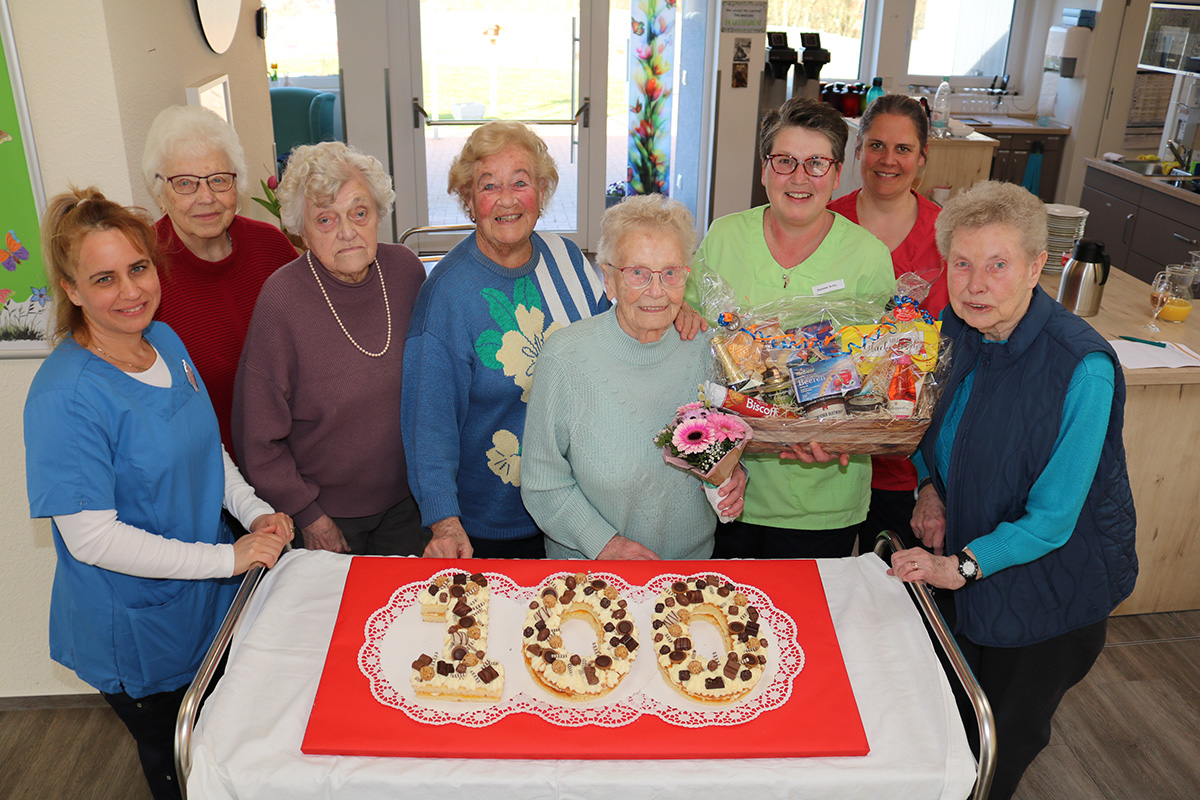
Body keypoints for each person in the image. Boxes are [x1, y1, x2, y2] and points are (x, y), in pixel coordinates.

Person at [24, 188, 293, 800]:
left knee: (225, 747)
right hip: (138, 631)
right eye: (103, 278)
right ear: (71, 290)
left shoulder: (165, 341)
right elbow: (92, 538)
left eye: (138, 268)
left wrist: (253, 512)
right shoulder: (65, 398)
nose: (130, 292)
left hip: (203, 604)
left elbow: (206, 448)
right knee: (183, 766)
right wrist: (229, 557)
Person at [890, 181, 1137, 800]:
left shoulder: (1082, 367)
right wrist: (929, 491)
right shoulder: (954, 328)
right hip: (969, 568)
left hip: (1047, 594)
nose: (976, 285)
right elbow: (926, 427)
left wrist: (960, 568)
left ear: (1036, 267)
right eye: (963, 265)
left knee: (996, 748)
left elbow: (1053, 520)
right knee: (946, 727)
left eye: (998, 265)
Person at [402, 122, 702, 560]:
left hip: (584, 513)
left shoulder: (568, 260)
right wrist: (445, 522)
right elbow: (428, 426)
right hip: (491, 523)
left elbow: (622, 327)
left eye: (521, 182)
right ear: (469, 201)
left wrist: (674, 306)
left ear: (541, 193)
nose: (507, 199)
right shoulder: (446, 296)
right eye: (489, 186)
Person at [685, 96, 894, 559]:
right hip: (726, 483)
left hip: (822, 497)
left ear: (838, 174)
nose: (799, 178)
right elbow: (692, 334)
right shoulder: (724, 237)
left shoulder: (867, 256)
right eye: (785, 161)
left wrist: (841, 437)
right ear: (764, 170)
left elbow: (881, 374)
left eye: (817, 163)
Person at [522, 195, 747, 559]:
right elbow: (542, 483)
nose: (656, 291)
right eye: (638, 273)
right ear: (609, 280)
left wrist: (735, 478)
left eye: (670, 272)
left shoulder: (708, 351)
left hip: (688, 570)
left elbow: (724, 445)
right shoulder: (565, 357)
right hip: (590, 573)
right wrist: (605, 545)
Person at [233, 142, 427, 556]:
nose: (347, 231)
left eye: (359, 212)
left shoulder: (406, 272)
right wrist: (310, 516)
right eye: (325, 219)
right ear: (301, 231)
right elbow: (257, 439)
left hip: (409, 505)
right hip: (326, 516)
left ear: (378, 215)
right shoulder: (281, 299)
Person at [827, 94, 948, 554]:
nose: (888, 160)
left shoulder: (946, 236)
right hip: (828, 449)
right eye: (876, 145)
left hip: (908, 458)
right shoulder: (825, 221)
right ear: (858, 151)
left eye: (903, 149)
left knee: (894, 591)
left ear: (922, 158)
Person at [142, 105, 298, 459]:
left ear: (237, 183)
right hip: (207, 478)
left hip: (293, 461)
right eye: (185, 183)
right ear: (159, 191)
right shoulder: (142, 270)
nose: (206, 197)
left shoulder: (271, 246)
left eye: (218, 179)